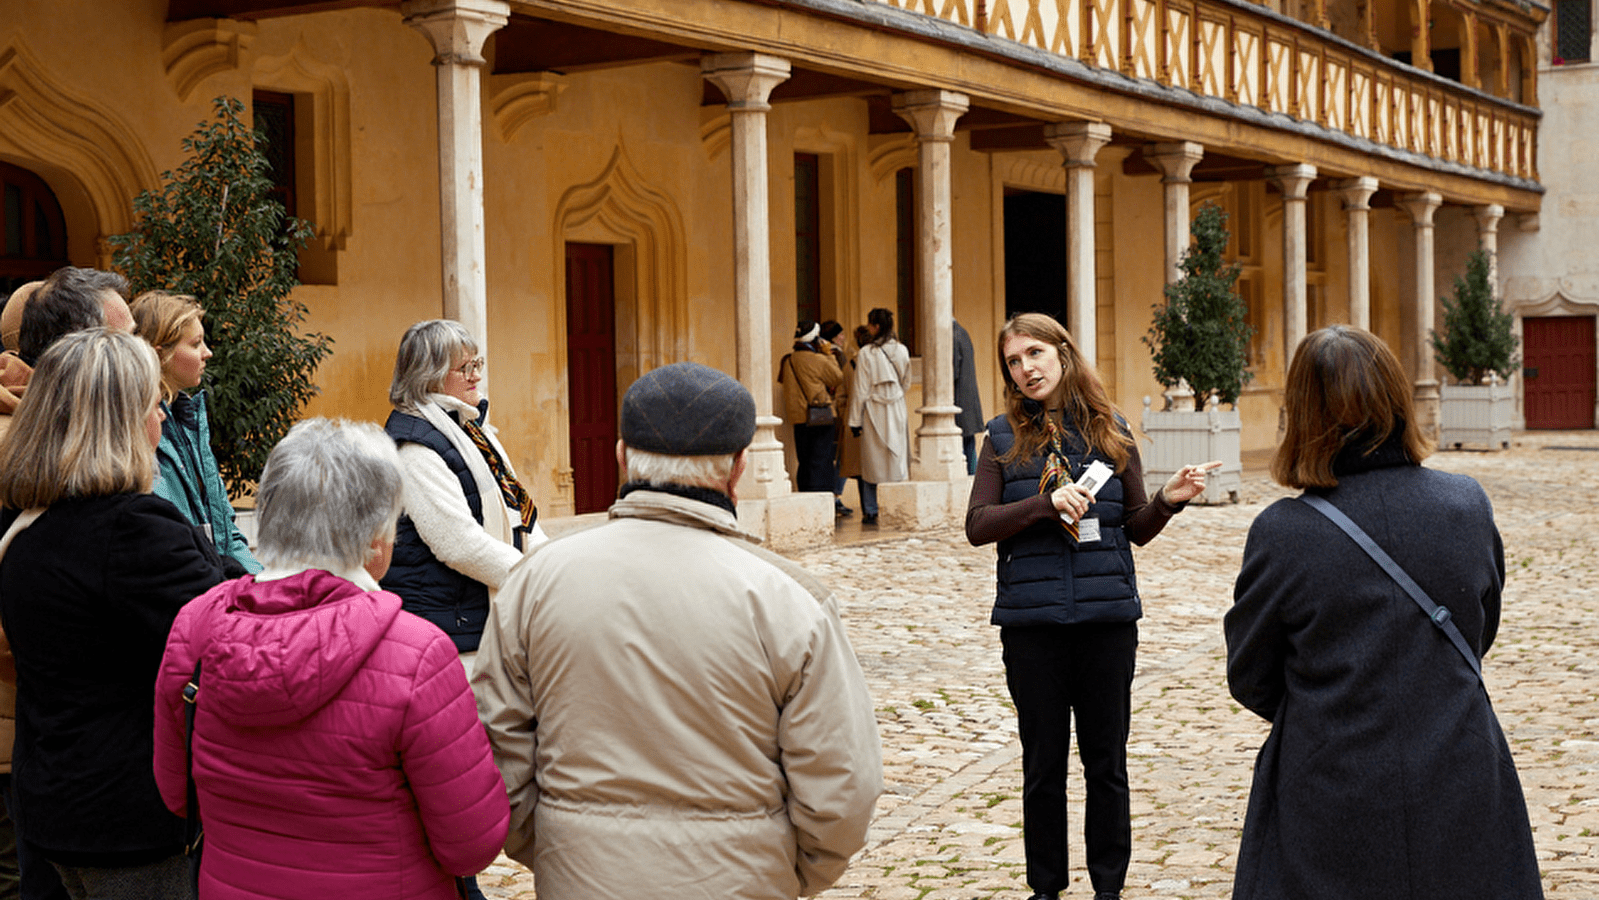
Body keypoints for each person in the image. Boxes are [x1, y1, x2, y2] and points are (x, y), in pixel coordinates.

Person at [473, 361, 883, 900]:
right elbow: (843, 784)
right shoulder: (790, 598)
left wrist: (554, 844)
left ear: (621, 456)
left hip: (581, 877)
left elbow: (496, 744)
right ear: (738, 468)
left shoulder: (534, 582)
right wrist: (787, 870)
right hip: (741, 881)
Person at [1224, 325, 1542, 900]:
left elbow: (1251, 674)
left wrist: (1334, 703)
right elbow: (1479, 628)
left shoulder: (1283, 532)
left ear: (1302, 414)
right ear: (1396, 398)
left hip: (1331, 778)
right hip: (1459, 765)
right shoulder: (1466, 505)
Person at [153, 418, 510, 900]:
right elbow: (471, 844)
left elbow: (178, 794)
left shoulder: (194, 626)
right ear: (375, 538)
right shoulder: (417, 654)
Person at [964, 312, 1216, 900]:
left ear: (1062, 352)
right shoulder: (1000, 437)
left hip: (1107, 623)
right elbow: (978, 526)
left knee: (1106, 764)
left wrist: (1169, 499)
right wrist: (1044, 505)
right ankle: (1045, 889)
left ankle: (1108, 889)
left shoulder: (1112, 430)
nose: (1026, 369)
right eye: (1013, 361)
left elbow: (1136, 527)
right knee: (1042, 767)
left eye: (1034, 353)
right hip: (1033, 627)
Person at [0, 329, 224, 899]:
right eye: (152, 404)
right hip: (131, 822)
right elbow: (227, 642)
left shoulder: (35, 528)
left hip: (58, 807)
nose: (162, 419)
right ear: (118, 422)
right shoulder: (132, 532)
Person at [380, 319, 542, 657]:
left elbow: (518, 510)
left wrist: (552, 563)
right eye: (464, 368)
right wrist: (537, 578)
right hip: (448, 631)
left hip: (476, 620)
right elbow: (458, 544)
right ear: (429, 375)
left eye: (477, 363)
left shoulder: (471, 430)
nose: (476, 375)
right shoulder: (415, 447)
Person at [130, 291, 261, 576]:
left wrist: (260, 583)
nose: (207, 353)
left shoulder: (190, 422)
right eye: (195, 343)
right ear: (160, 354)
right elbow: (166, 542)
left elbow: (227, 532)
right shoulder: (140, 430)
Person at [848, 307, 911, 525]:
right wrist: (895, 395)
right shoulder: (902, 350)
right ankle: (898, 505)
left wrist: (854, 420)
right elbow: (906, 381)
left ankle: (871, 509)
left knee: (871, 462)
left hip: (873, 410)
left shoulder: (866, 353)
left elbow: (860, 389)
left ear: (875, 327)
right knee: (896, 458)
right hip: (896, 408)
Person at [779, 320, 843, 498]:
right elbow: (837, 377)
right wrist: (828, 354)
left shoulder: (788, 360)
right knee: (822, 460)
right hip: (819, 416)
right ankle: (821, 497)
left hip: (799, 418)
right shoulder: (817, 359)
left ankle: (805, 495)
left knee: (805, 460)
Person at [819, 320, 853, 517]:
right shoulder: (837, 355)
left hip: (823, 410)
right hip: (835, 411)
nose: (843, 337)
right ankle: (835, 496)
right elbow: (841, 380)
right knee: (840, 456)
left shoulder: (820, 353)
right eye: (840, 334)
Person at [952, 318, 984, 475]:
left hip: (959, 398)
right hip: (966, 399)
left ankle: (973, 478)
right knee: (968, 444)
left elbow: (952, 370)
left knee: (965, 446)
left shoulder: (952, 335)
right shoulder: (961, 332)